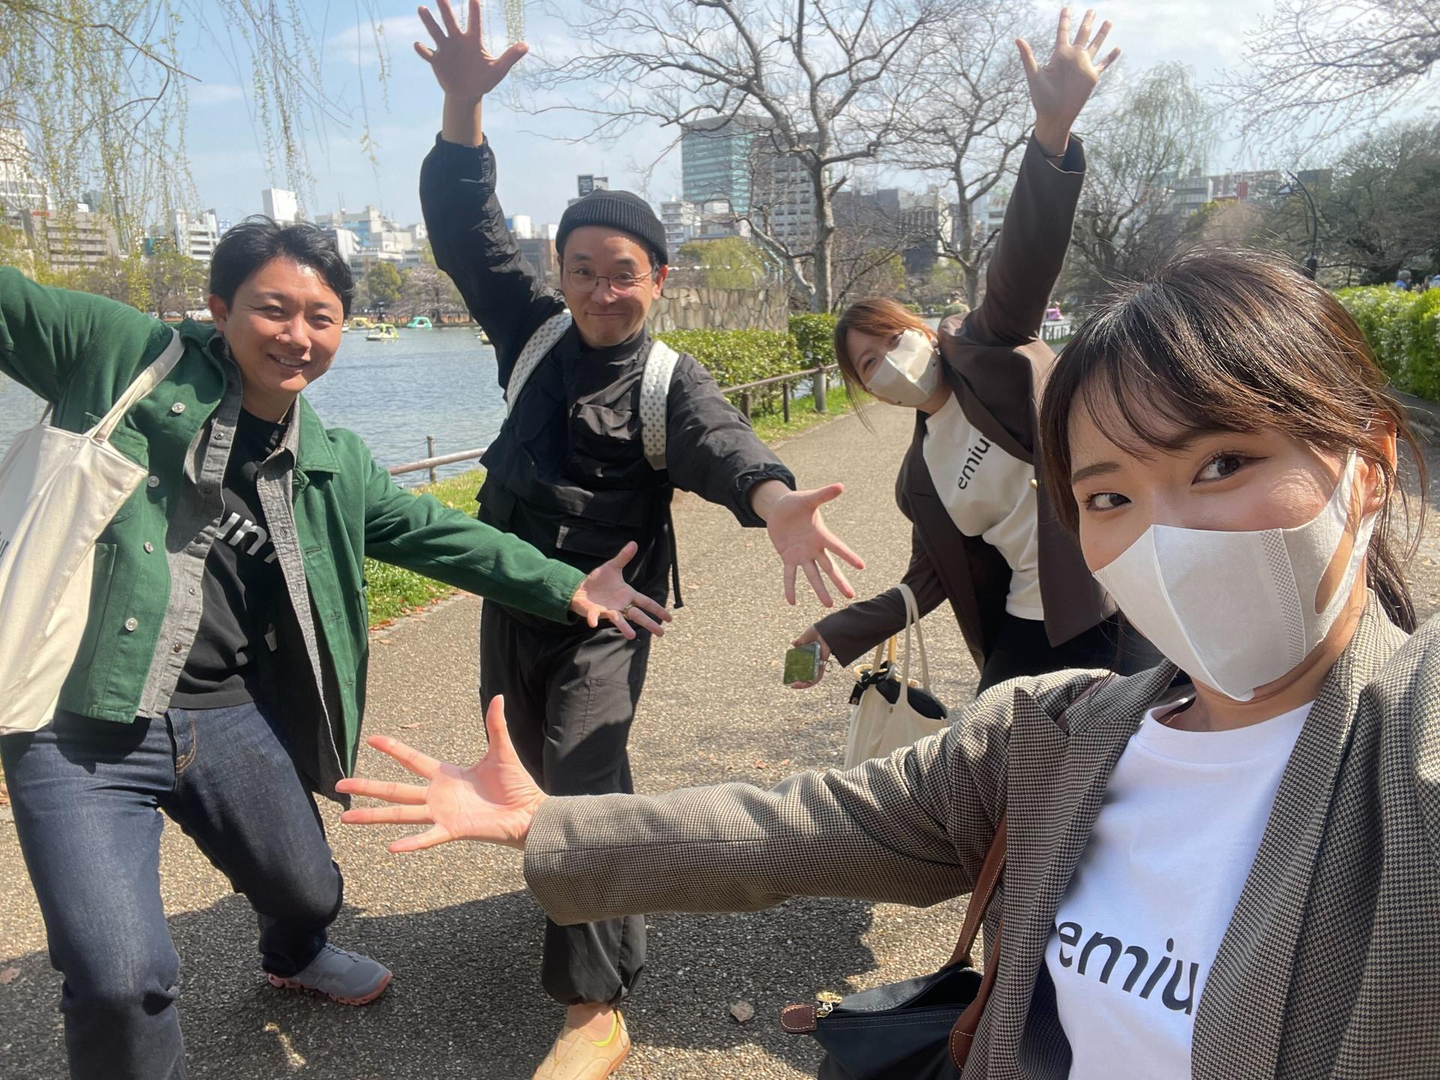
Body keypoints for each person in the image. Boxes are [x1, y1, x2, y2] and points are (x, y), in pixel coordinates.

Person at [340, 243, 1440, 1079]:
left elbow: (1011, 277)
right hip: (1033, 647)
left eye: (1223, 464)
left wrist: (1053, 134)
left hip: (1084, 623)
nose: (1166, 535)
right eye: (1109, 495)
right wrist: (550, 824)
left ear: (1369, 465)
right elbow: (806, 820)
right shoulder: (1049, 735)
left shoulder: (1414, 748)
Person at [0, 218, 668, 1080]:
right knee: (120, 981)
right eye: (272, 309)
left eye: (321, 317)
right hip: (77, 720)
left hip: (221, 710)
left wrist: (566, 585)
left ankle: (295, 954)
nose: (297, 335)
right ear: (219, 309)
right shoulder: (118, 353)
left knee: (311, 890)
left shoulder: (329, 459)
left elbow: (434, 532)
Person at [411, 2, 862, 1074]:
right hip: (517, 587)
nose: (603, 292)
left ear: (658, 279)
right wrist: (464, 107)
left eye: (624, 273)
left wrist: (776, 503)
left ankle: (595, 1005)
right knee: (525, 758)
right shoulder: (531, 332)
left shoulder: (670, 379)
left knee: (583, 770)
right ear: (560, 271)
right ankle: (586, 899)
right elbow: (467, 232)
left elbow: (723, 445)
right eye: (584, 270)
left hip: (614, 610)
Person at [790, 10, 1157, 696]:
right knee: (991, 756)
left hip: (1114, 593)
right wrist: (834, 635)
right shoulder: (919, 477)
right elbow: (926, 582)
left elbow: (1023, 261)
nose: (888, 359)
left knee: (1155, 740)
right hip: (1027, 622)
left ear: (924, 331)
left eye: (893, 337)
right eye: (868, 364)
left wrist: (1052, 134)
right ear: (867, 392)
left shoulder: (992, 347)